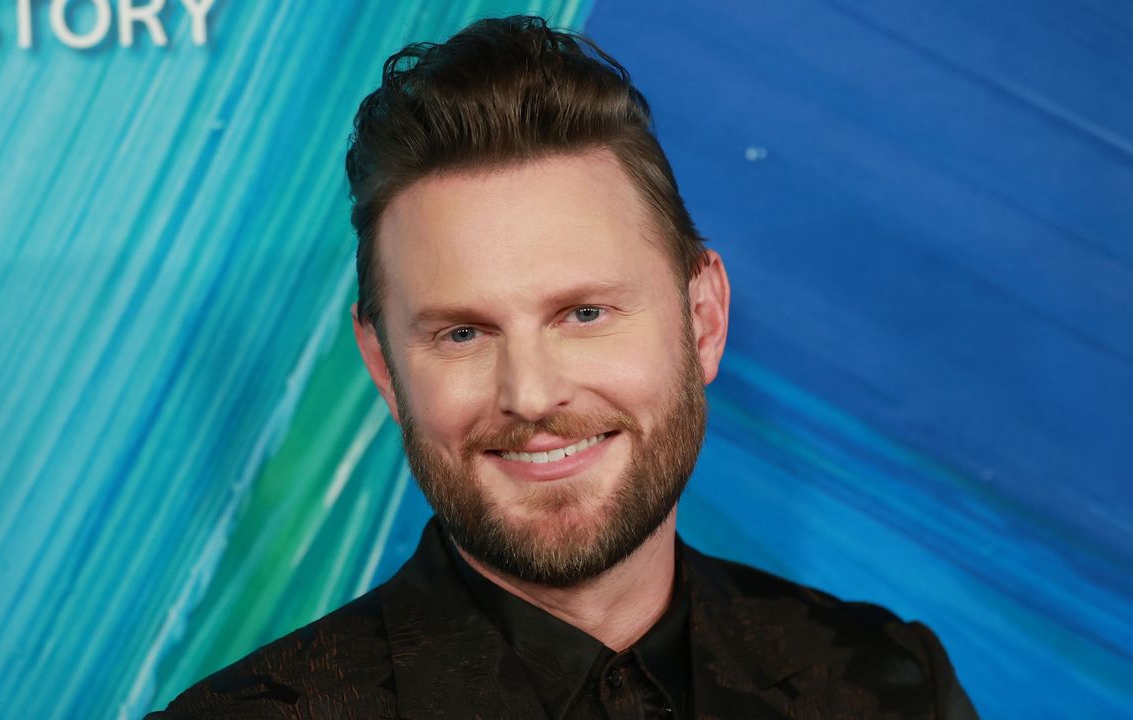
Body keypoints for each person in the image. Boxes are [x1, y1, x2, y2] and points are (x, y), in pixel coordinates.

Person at [148, 15, 978, 720]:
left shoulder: (888, 683)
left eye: (585, 314)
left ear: (703, 321)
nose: (532, 394)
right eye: (462, 334)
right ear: (383, 366)